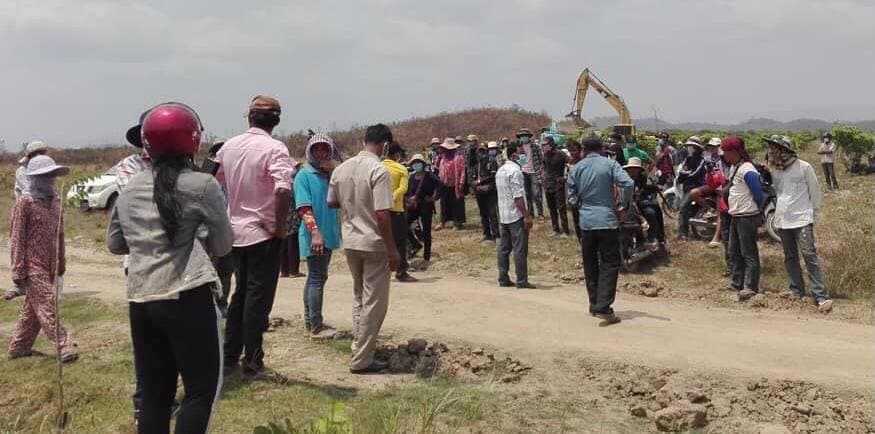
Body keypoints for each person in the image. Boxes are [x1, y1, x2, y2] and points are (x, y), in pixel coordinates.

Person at [106, 103, 232, 433]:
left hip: (141, 299)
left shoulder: (131, 187)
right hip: (187, 294)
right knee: (200, 393)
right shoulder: (202, 185)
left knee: (155, 396)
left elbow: (115, 244)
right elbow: (223, 246)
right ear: (193, 140)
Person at [217, 95, 296, 377]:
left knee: (240, 295)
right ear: (275, 121)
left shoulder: (229, 146)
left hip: (234, 232)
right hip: (262, 234)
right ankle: (252, 360)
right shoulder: (274, 148)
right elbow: (283, 189)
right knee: (257, 299)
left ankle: (229, 356)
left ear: (249, 117)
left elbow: (214, 180)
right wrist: (278, 226)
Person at [328, 124, 400, 374]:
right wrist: (393, 250)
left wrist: (352, 203)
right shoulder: (379, 170)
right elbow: (382, 213)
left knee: (360, 296)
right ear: (385, 145)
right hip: (373, 243)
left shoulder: (341, 168)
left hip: (351, 241)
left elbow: (331, 201)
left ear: (363, 141)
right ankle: (362, 359)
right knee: (375, 302)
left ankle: (359, 347)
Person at [8, 155, 77, 362]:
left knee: (34, 309)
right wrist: (17, 269)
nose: (49, 179)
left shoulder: (56, 202)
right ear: (34, 177)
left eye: (51, 175)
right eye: (45, 175)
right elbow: (17, 237)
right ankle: (64, 345)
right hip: (32, 264)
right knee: (47, 302)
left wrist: (61, 262)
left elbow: (60, 234)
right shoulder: (25, 202)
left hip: (50, 264)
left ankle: (19, 347)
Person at [567, 136, 634, 325]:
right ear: (601, 148)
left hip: (586, 222)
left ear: (584, 150)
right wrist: (623, 205)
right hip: (607, 221)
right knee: (610, 263)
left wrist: (580, 204)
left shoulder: (577, 168)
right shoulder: (610, 165)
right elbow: (628, 183)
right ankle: (603, 306)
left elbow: (570, 198)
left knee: (590, 264)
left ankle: (594, 304)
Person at [765, 136, 833, 312]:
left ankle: (820, 295)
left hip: (802, 218)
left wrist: (813, 215)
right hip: (782, 219)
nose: (770, 151)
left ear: (783, 149)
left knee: (809, 255)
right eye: (770, 147)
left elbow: (815, 192)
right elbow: (777, 193)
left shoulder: (804, 167)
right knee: (790, 256)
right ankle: (796, 290)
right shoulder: (775, 170)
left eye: (774, 148)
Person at [295, 133, 343, 340]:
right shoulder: (304, 176)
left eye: (325, 149)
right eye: (317, 149)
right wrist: (315, 232)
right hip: (315, 234)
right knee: (316, 278)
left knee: (316, 277)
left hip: (328, 233)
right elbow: (304, 208)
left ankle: (310, 320)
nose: (321, 153)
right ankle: (316, 324)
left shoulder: (329, 176)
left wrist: (333, 172)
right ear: (310, 151)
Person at [721, 136, 765, 302]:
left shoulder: (747, 169)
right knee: (734, 250)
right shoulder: (736, 168)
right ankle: (737, 283)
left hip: (747, 216)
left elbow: (758, 194)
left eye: (727, 152)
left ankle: (750, 286)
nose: (725, 155)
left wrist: (757, 212)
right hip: (737, 215)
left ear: (735, 152)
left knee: (748, 252)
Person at [6, 140, 51, 301]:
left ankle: (40, 284)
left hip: (40, 212)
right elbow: (31, 190)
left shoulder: (45, 169)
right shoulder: (22, 171)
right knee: (19, 246)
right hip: (25, 211)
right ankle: (18, 284)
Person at [495, 143, 535, 289]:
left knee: (504, 248)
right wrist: (526, 215)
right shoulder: (515, 171)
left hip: (503, 214)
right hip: (516, 215)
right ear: (514, 156)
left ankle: (503, 277)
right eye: (521, 154)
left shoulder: (500, 170)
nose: (523, 156)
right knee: (519, 248)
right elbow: (517, 196)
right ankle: (522, 280)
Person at [383, 142, 417, 282]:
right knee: (399, 242)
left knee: (381, 241)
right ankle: (401, 271)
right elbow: (403, 189)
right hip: (396, 210)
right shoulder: (401, 169)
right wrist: (392, 198)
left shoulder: (378, 167)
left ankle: (381, 272)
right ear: (396, 154)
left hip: (379, 210)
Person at [623, 157, 666, 248]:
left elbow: (641, 191)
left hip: (639, 201)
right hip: (625, 203)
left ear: (639, 170)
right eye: (631, 169)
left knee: (651, 212)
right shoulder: (623, 178)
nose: (633, 171)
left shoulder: (642, 177)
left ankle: (653, 237)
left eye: (635, 169)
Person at [405, 154, 440, 265]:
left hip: (426, 205)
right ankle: (415, 244)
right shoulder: (411, 177)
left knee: (426, 231)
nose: (416, 164)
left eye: (418, 162)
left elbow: (440, 185)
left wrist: (434, 197)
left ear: (423, 164)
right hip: (414, 206)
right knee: (404, 224)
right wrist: (409, 199)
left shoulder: (430, 176)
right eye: (414, 163)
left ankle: (426, 256)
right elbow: (408, 190)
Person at [676, 137, 706, 239]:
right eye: (689, 146)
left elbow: (695, 173)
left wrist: (685, 174)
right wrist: (684, 174)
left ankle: (683, 233)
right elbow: (681, 170)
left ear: (697, 148)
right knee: (685, 208)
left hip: (696, 186)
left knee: (683, 207)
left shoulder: (702, 160)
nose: (690, 148)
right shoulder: (688, 159)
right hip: (686, 186)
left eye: (691, 146)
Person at [540, 136, 571, 237]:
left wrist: (565, 176)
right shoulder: (544, 155)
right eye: (542, 145)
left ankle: (566, 231)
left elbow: (571, 164)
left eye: (545, 145)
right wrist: (543, 175)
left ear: (551, 144)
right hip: (547, 184)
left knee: (561, 208)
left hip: (558, 184)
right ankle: (555, 229)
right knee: (551, 208)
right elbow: (544, 167)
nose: (543, 147)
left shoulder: (561, 154)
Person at [434, 138, 466, 230]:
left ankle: (457, 222)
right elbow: (438, 168)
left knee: (456, 203)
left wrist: (461, 183)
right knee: (444, 203)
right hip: (444, 183)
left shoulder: (458, 158)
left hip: (455, 184)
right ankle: (443, 221)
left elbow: (463, 171)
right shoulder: (442, 158)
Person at [472, 141, 500, 241]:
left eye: (483, 151)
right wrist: (475, 185)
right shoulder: (476, 165)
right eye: (480, 151)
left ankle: (496, 235)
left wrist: (480, 181)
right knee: (483, 213)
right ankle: (486, 234)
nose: (481, 153)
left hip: (490, 190)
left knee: (492, 213)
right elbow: (472, 178)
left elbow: (493, 176)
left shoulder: (492, 162)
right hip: (479, 191)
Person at [280, 168, 304, 278]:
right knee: (293, 242)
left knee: (285, 242)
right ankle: (293, 270)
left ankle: (284, 270)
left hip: (283, 216)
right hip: (293, 216)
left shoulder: (280, 183)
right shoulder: (293, 184)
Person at [516, 128, 545, 220]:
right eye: (521, 136)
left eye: (525, 136)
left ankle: (540, 213)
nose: (523, 138)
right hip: (523, 172)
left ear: (528, 137)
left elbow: (541, 159)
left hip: (534, 172)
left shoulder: (535, 146)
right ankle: (531, 213)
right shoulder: (518, 147)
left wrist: (541, 170)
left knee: (537, 194)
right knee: (527, 194)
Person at [565, 139, 585, 242]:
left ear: (580, 150)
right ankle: (580, 240)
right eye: (570, 151)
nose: (572, 153)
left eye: (574, 150)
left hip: (585, 196)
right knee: (576, 220)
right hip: (574, 196)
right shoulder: (570, 163)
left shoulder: (584, 162)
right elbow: (568, 181)